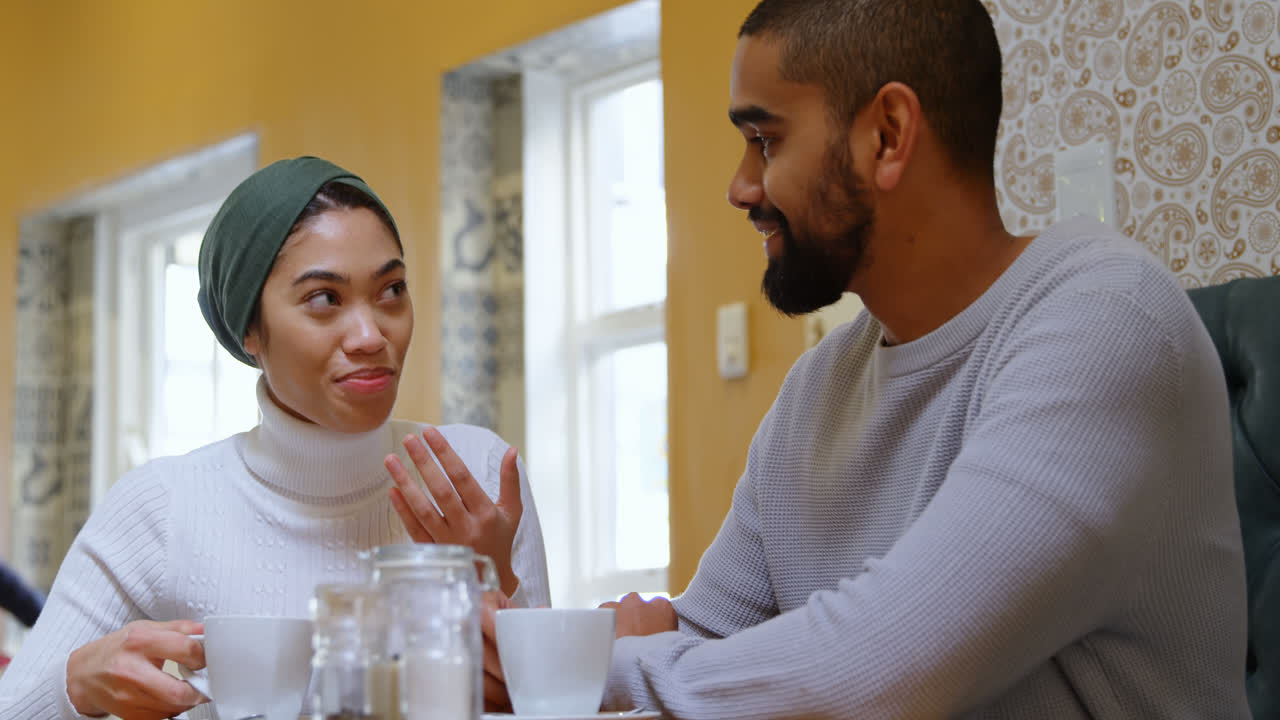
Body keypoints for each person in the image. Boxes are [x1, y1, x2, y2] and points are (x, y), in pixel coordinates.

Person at [473, 0, 1252, 717]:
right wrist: (622, 648)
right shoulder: (821, 384)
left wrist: (589, 669)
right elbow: (708, 636)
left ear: (887, 135)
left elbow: (882, 666)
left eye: (765, 140)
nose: (740, 188)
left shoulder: (1108, 319)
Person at [0, 157, 550, 720]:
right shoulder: (163, 508)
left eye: (392, 289)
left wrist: (492, 585)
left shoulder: (477, 472)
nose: (370, 335)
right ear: (249, 331)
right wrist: (75, 687)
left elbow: (549, 706)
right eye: (324, 299)